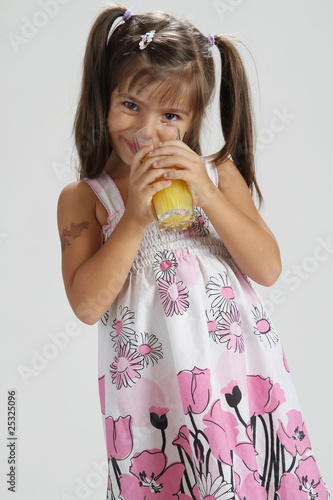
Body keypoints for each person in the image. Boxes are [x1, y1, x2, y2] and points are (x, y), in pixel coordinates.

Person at [57, 4, 330, 499]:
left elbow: (268, 267)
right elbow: (87, 303)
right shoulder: (86, 199)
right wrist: (136, 216)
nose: (147, 130)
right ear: (104, 98)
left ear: (192, 120)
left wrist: (205, 193)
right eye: (131, 105)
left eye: (170, 115)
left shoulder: (217, 174)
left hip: (236, 378)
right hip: (154, 388)